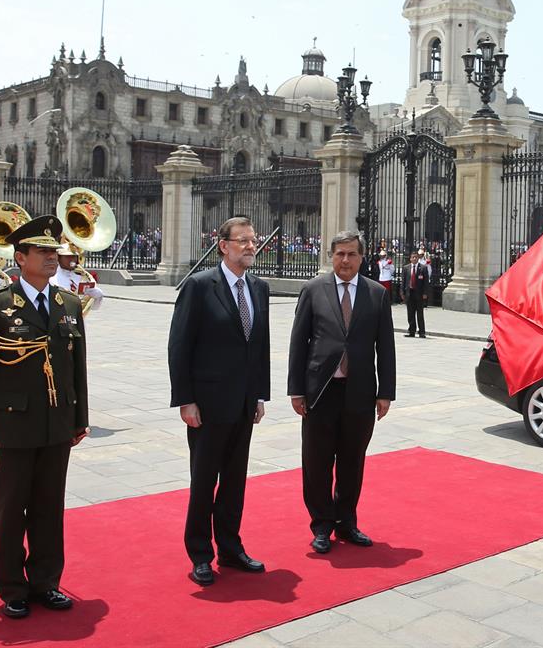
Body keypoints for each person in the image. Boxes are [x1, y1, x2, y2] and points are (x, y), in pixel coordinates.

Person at [0, 215, 89, 619]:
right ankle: (12, 586)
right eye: (43, 252)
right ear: (20, 258)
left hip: (57, 423)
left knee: (49, 507)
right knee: (12, 507)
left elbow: (77, 368)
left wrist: (79, 417)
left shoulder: (68, 303)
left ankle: (45, 581)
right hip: (13, 425)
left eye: (54, 251)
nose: (52, 258)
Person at [169, 216, 270, 586]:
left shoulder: (259, 288)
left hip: (243, 403)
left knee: (234, 481)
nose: (250, 246)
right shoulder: (199, 287)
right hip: (208, 404)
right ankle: (200, 553)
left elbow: (259, 346)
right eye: (242, 240)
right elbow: (180, 346)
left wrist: (259, 393)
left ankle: (230, 546)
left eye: (253, 240)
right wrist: (185, 400)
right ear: (223, 246)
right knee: (204, 480)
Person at [288, 230, 395, 554]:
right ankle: (321, 525)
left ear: (362, 258)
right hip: (321, 391)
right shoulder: (313, 290)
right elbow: (298, 342)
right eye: (339, 254)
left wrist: (385, 392)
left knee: (352, 462)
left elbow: (385, 347)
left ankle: (346, 523)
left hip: (360, 392)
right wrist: (296, 390)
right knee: (317, 462)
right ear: (331, 257)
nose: (345, 260)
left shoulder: (376, 294)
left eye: (351, 254)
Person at [51, 241, 104, 313]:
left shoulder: (82, 277)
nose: (72, 260)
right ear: (58, 258)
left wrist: (97, 295)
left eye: (74, 256)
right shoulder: (52, 278)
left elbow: (94, 307)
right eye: (68, 257)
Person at [402, 250, 429, 338]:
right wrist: (402, 292)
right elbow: (404, 281)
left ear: (418, 258)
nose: (414, 259)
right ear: (410, 259)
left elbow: (426, 282)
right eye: (413, 257)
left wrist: (425, 293)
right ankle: (411, 331)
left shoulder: (423, 268)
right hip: (409, 293)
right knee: (410, 313)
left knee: (420, 313)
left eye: (416, 257)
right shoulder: (406, 268)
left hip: (419, 294)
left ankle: (422, 332)